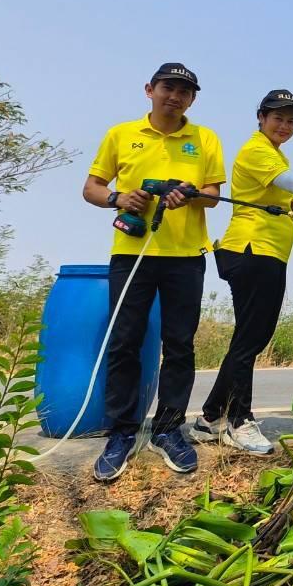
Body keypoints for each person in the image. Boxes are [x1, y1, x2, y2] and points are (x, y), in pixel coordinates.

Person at [83, 62, 225, 482]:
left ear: (193, 99)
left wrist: (191, 195)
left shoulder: (204, 138)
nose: (175, 96)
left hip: (185, 257)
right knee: (125, 342)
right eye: (168, 87)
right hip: (133, 253)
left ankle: (168, 428)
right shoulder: (121, 134)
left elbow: (215, 196)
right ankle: (121, 433)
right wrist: (117, 199)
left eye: (185, 91)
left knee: (179, 344)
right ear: (150, 89)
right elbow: (90, 187)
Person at [191, 90, 293, 455]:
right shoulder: (257, 150)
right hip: (251, 250)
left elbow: (287, 192)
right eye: (278, 117)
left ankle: (211, 416)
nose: (285, 125)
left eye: (292, 120)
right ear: (260, 117)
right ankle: (239, 421)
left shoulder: (274, 154)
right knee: (250, 339)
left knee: (252, 337)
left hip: (266, 253)